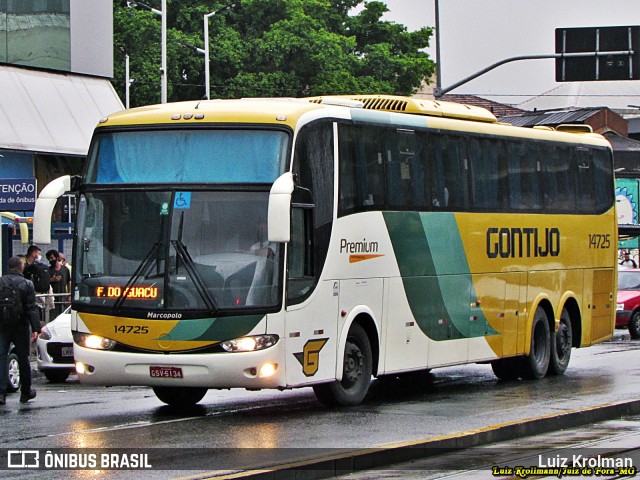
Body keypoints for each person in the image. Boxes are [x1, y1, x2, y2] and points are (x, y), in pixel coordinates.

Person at [0, 256, 42, 404]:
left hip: (2, 325)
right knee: (23, 358)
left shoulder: (0, 282)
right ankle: (26, 392)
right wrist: (36, 328)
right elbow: (31, 308)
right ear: (20, 267)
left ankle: (1, 393)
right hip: (21, 325)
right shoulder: (27, 284)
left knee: (2, 356)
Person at [46, 249, 71, 319]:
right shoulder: (48, 270)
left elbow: (68, 282)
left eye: (52, 258)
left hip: (63, 297)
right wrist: (52, 280)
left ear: (57, 258)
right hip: (53, 299)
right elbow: (46, 282)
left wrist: (69, 295)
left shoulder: (65, 269)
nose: (50, 260)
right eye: (49, 259)